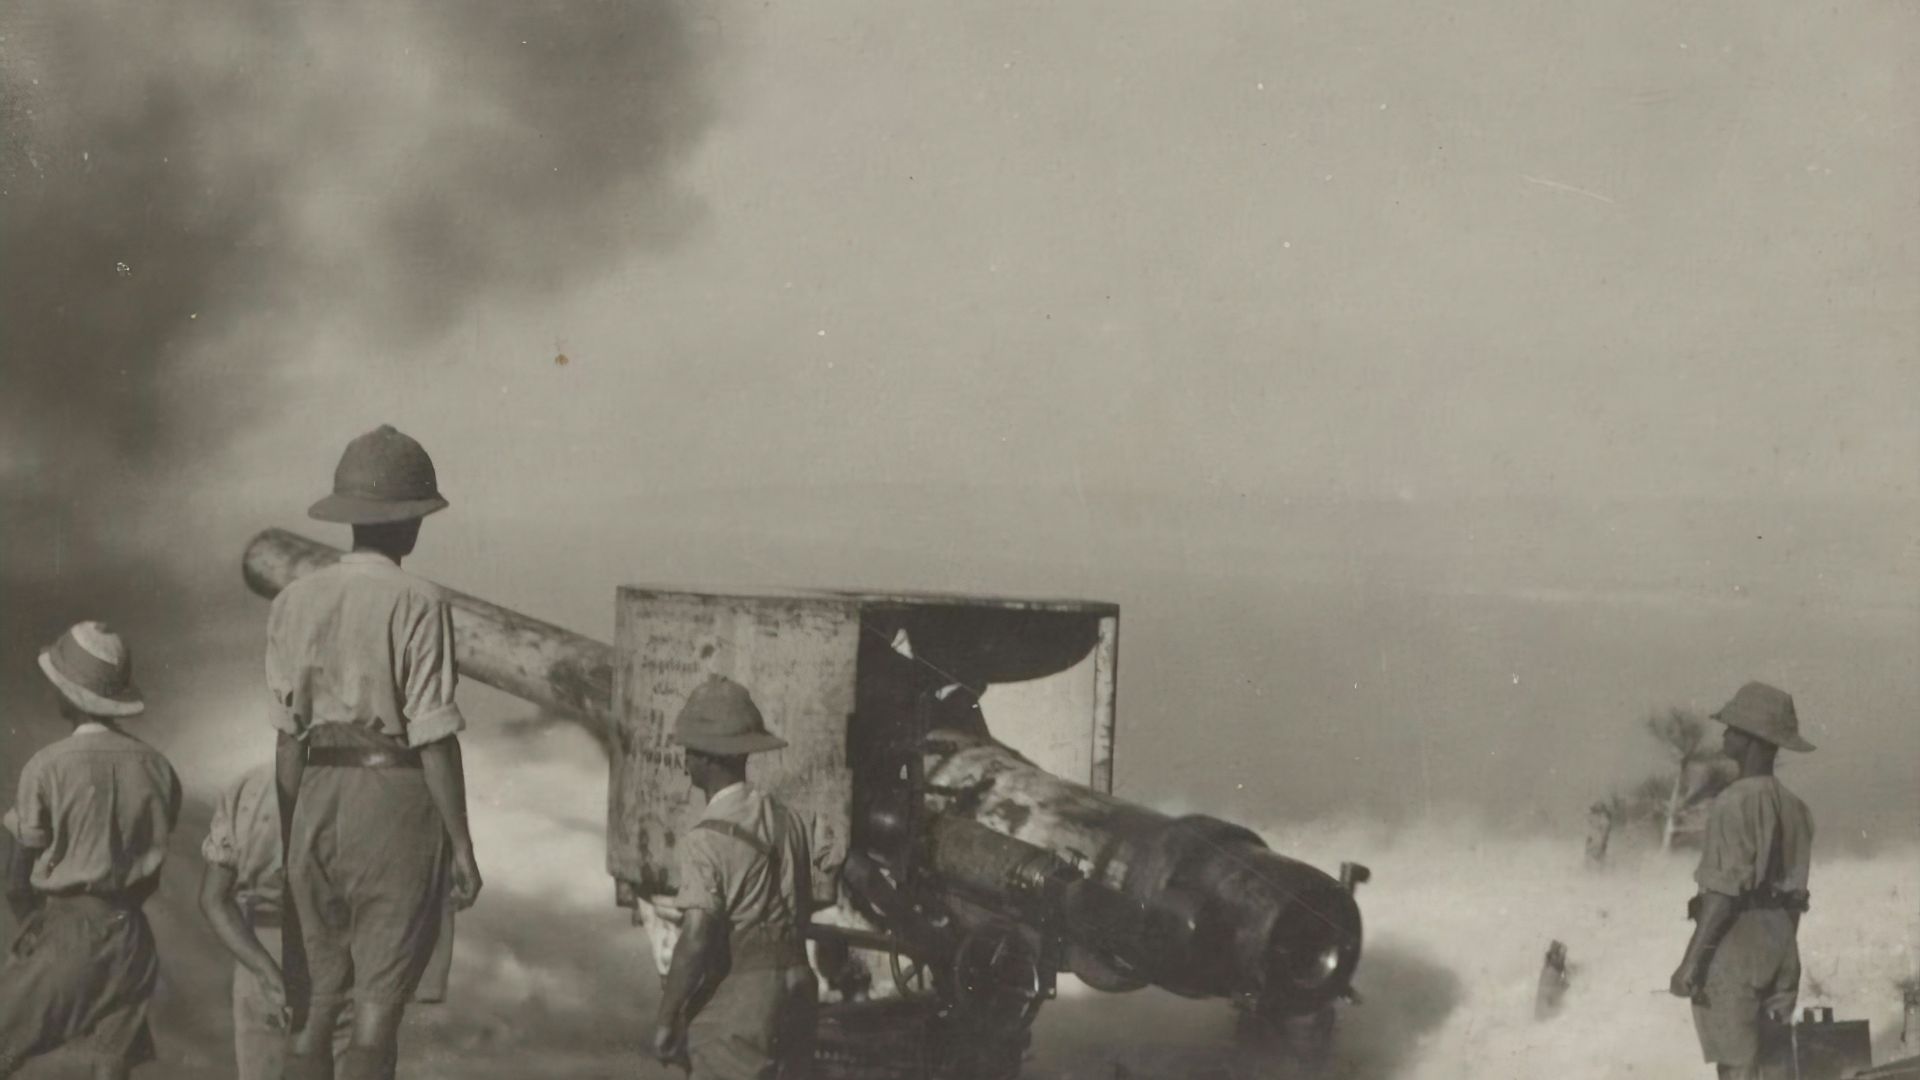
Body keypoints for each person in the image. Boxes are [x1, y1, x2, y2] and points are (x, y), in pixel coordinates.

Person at [268, 424, 482, 1080]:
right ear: (412, 522)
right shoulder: (419, 601)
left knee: (315, 1009)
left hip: (314, 798)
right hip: (394, 801)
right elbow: (434, 735)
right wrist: (464, 847)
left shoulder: (294, 599)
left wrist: (289, 838)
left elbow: (287, 736)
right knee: (375, 1018)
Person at [0, 622, 183, 1079]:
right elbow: (151, 867)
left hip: (67, 932)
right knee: (109, 1067)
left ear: (69, 693)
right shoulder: (158, 768)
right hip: (132, 938)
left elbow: (16, 879)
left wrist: (35, 935)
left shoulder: (47, 767)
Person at [199, 763, 454, 1080]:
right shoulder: (385, 791)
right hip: (353, 958)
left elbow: (213, 899)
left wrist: (263, 970)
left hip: (264, 952)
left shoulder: (251, 786)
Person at [653, 676, 822, 1080]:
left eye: (690, 750)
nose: (685, 759)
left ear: (709, 759)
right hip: (798, 989)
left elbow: (696, 938)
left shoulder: (705, 839)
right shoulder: (790, 821)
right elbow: (803, 904)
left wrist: (667, 1017)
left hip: (743, 1001)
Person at [1669, 681, 1817, 1080]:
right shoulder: (1797, 809)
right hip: (1781, 944)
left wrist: (1691, 962)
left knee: (1737, 1068)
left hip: (1735, 945)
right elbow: (1795, 899)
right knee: (1776, 1066)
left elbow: (1721, 897)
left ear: (1752, 739)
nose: (1725, 734)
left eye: (1732, 728)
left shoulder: (1733, 802)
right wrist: (1780, 949)